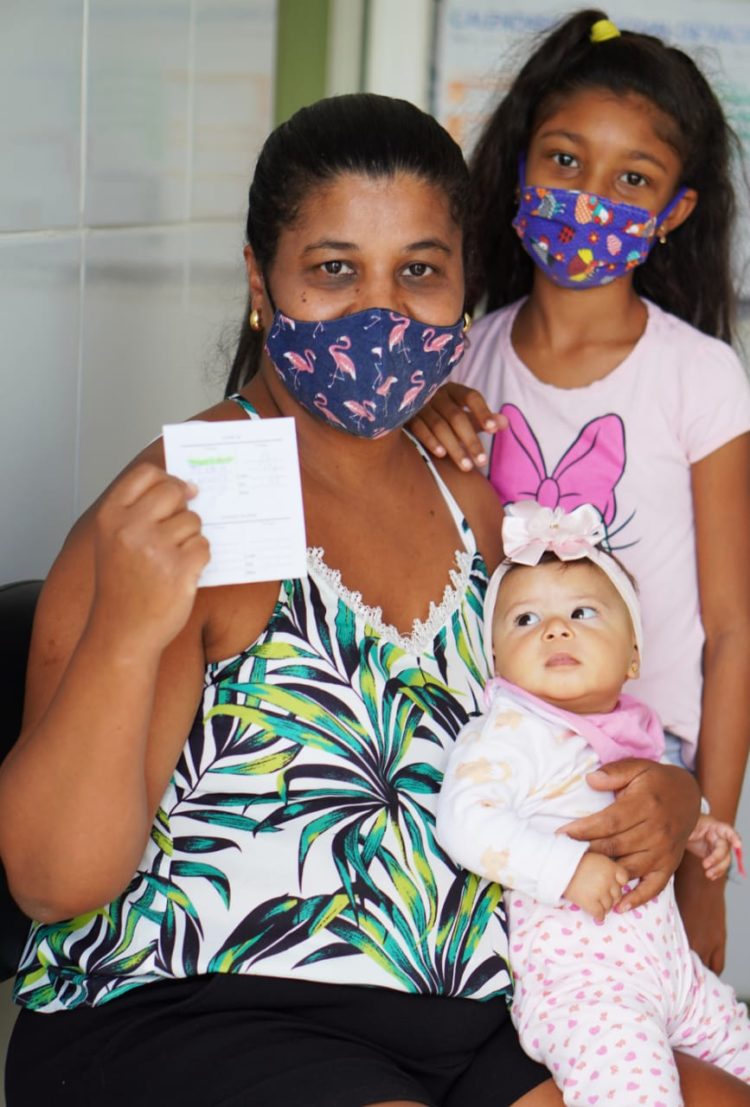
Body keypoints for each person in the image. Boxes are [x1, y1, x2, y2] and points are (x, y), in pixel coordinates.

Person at [0, 93, 741, 1107]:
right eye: (336, 270)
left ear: (464, 287)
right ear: (261, 281)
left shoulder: (470, 497)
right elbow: (55, 881)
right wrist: (127, 633)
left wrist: (668, 796)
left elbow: (560, 717)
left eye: (420, 273)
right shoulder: (198, 501)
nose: (380, 316)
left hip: (472, 1006)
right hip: (205, 1006)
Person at [409, 9, 750, 973]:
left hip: (644, 778)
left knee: (635, 1010)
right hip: (501, 770)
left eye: (632, 179)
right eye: (564, 160)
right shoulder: (461, 367)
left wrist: (707, 858)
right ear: (521, 163)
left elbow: (733, 629)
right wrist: (422, 418)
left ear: (673, 210)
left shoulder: (701, 376)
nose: (589, 197)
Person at [436, 501, 750, 1107]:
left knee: (741, 1052)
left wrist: (699, 825)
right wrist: (566, 870)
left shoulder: (628, 727)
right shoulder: (512, 733)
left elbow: (641, 809)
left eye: (582, 612)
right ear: (497, 661)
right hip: (587, 990)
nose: (556, 629)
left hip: (672, 975)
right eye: (525, 619)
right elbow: (465, 821)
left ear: (633, 655)